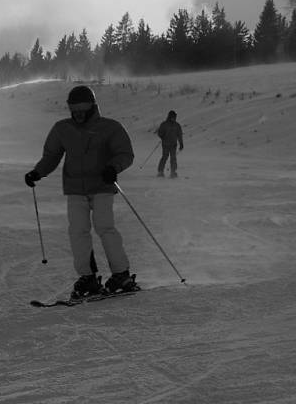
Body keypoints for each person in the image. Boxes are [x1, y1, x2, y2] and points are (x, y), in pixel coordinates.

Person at [24, 85, 137, 297]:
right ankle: (88, 277)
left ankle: (121, 274)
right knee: (77, 231)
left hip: (102, 186)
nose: (78, 115)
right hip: (75, 189)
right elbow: (52, 156)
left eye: (82, 110)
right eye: (74, 110)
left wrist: (113, 168)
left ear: (92, 107)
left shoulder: (110, 127)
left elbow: (125, 153)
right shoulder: (62, 129)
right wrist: (37, 172)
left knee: (105, 227)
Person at [156, 110, 183, 178]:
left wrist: (181, 143)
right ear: (169, 116)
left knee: (173, 158)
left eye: (174, 117)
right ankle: (160, 171)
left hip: (173, 144)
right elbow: (159, 132)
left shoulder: (177, 125)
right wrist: (162, 136)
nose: (173, 118)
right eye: (172, 117)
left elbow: (179, 135)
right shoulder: (164, 124)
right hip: (165, 144)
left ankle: (173, 172)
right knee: (165, 157)